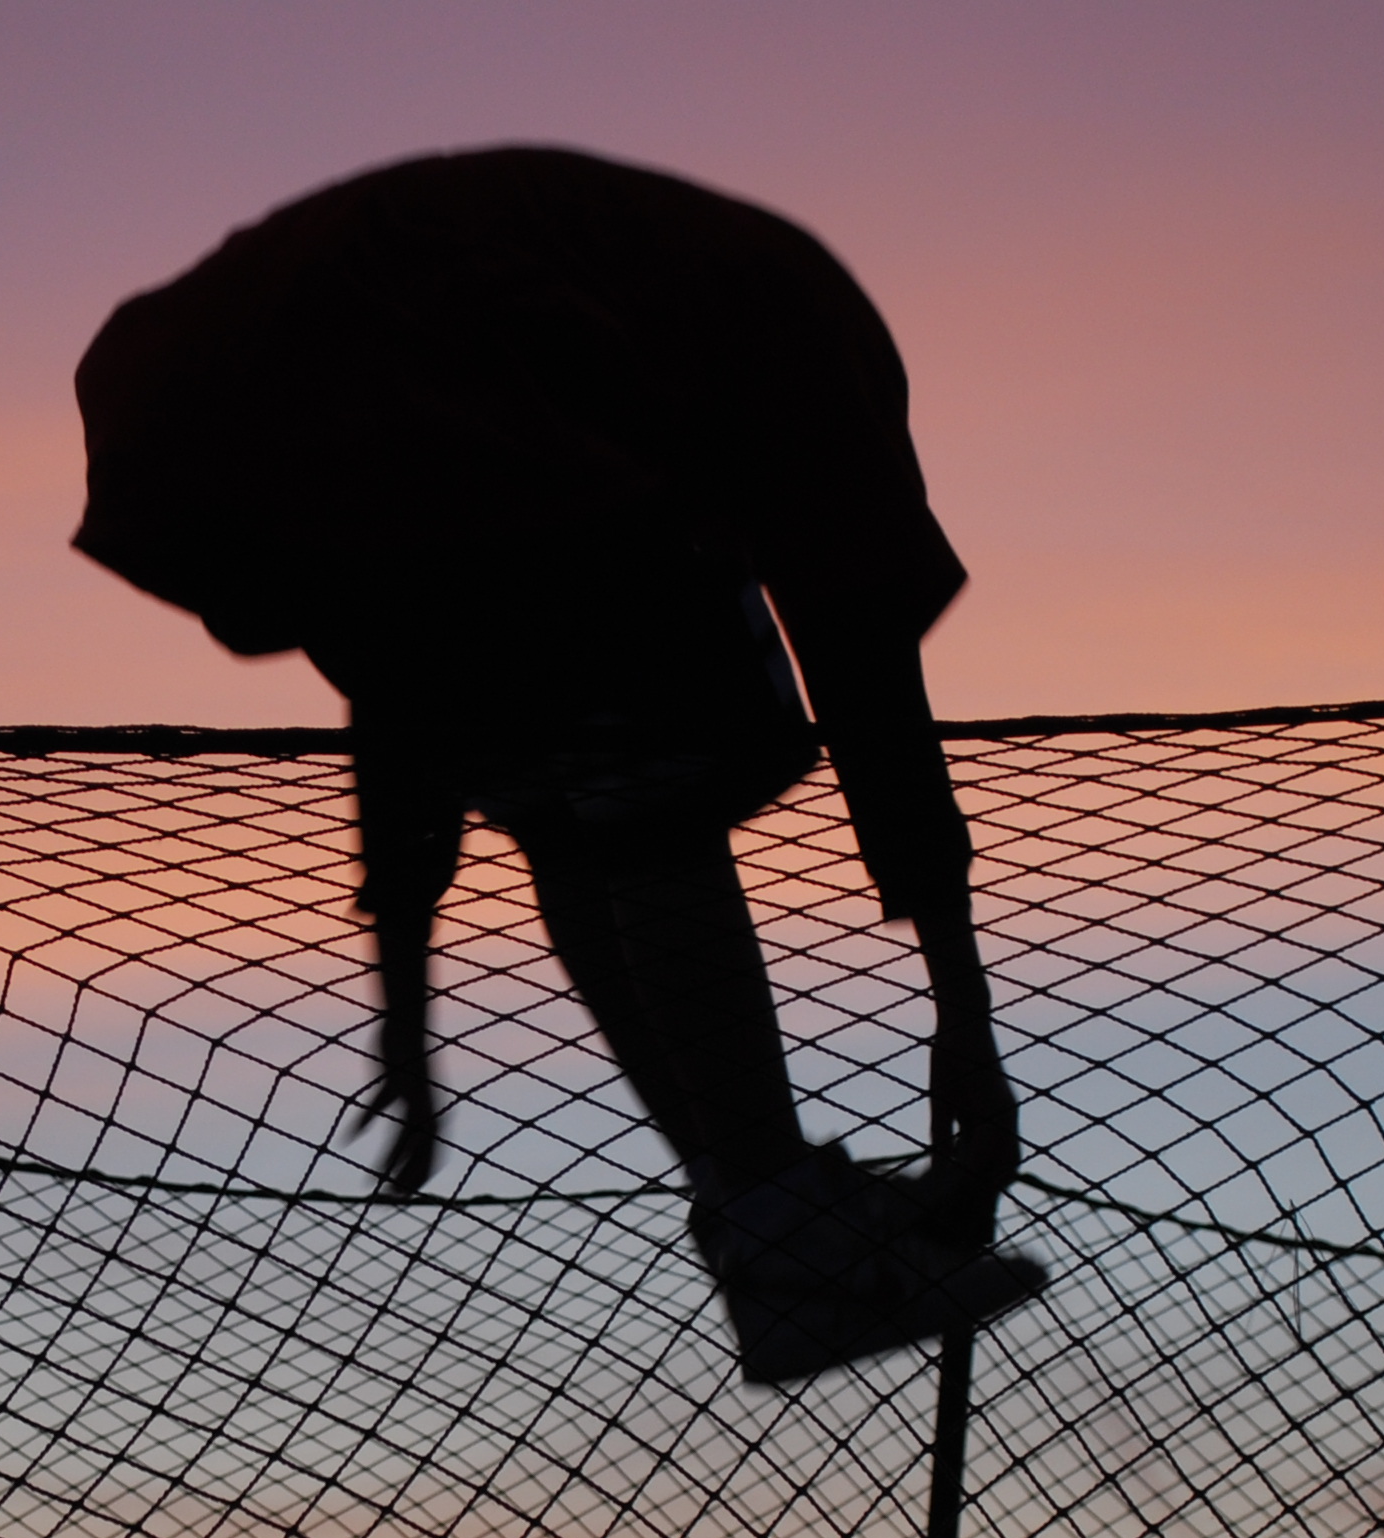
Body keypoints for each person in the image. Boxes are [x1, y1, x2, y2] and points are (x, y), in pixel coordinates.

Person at [72, 145, 1035, 1385]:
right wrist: (962, 1017)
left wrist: (405, 1015)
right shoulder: (791, 346)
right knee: (653, 762)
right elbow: (863, 670)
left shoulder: (621, 326)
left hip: (184, 402)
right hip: (339, 381)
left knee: (569, 791)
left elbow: (404, 700)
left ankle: (764, 1219)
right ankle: (780, 1231)